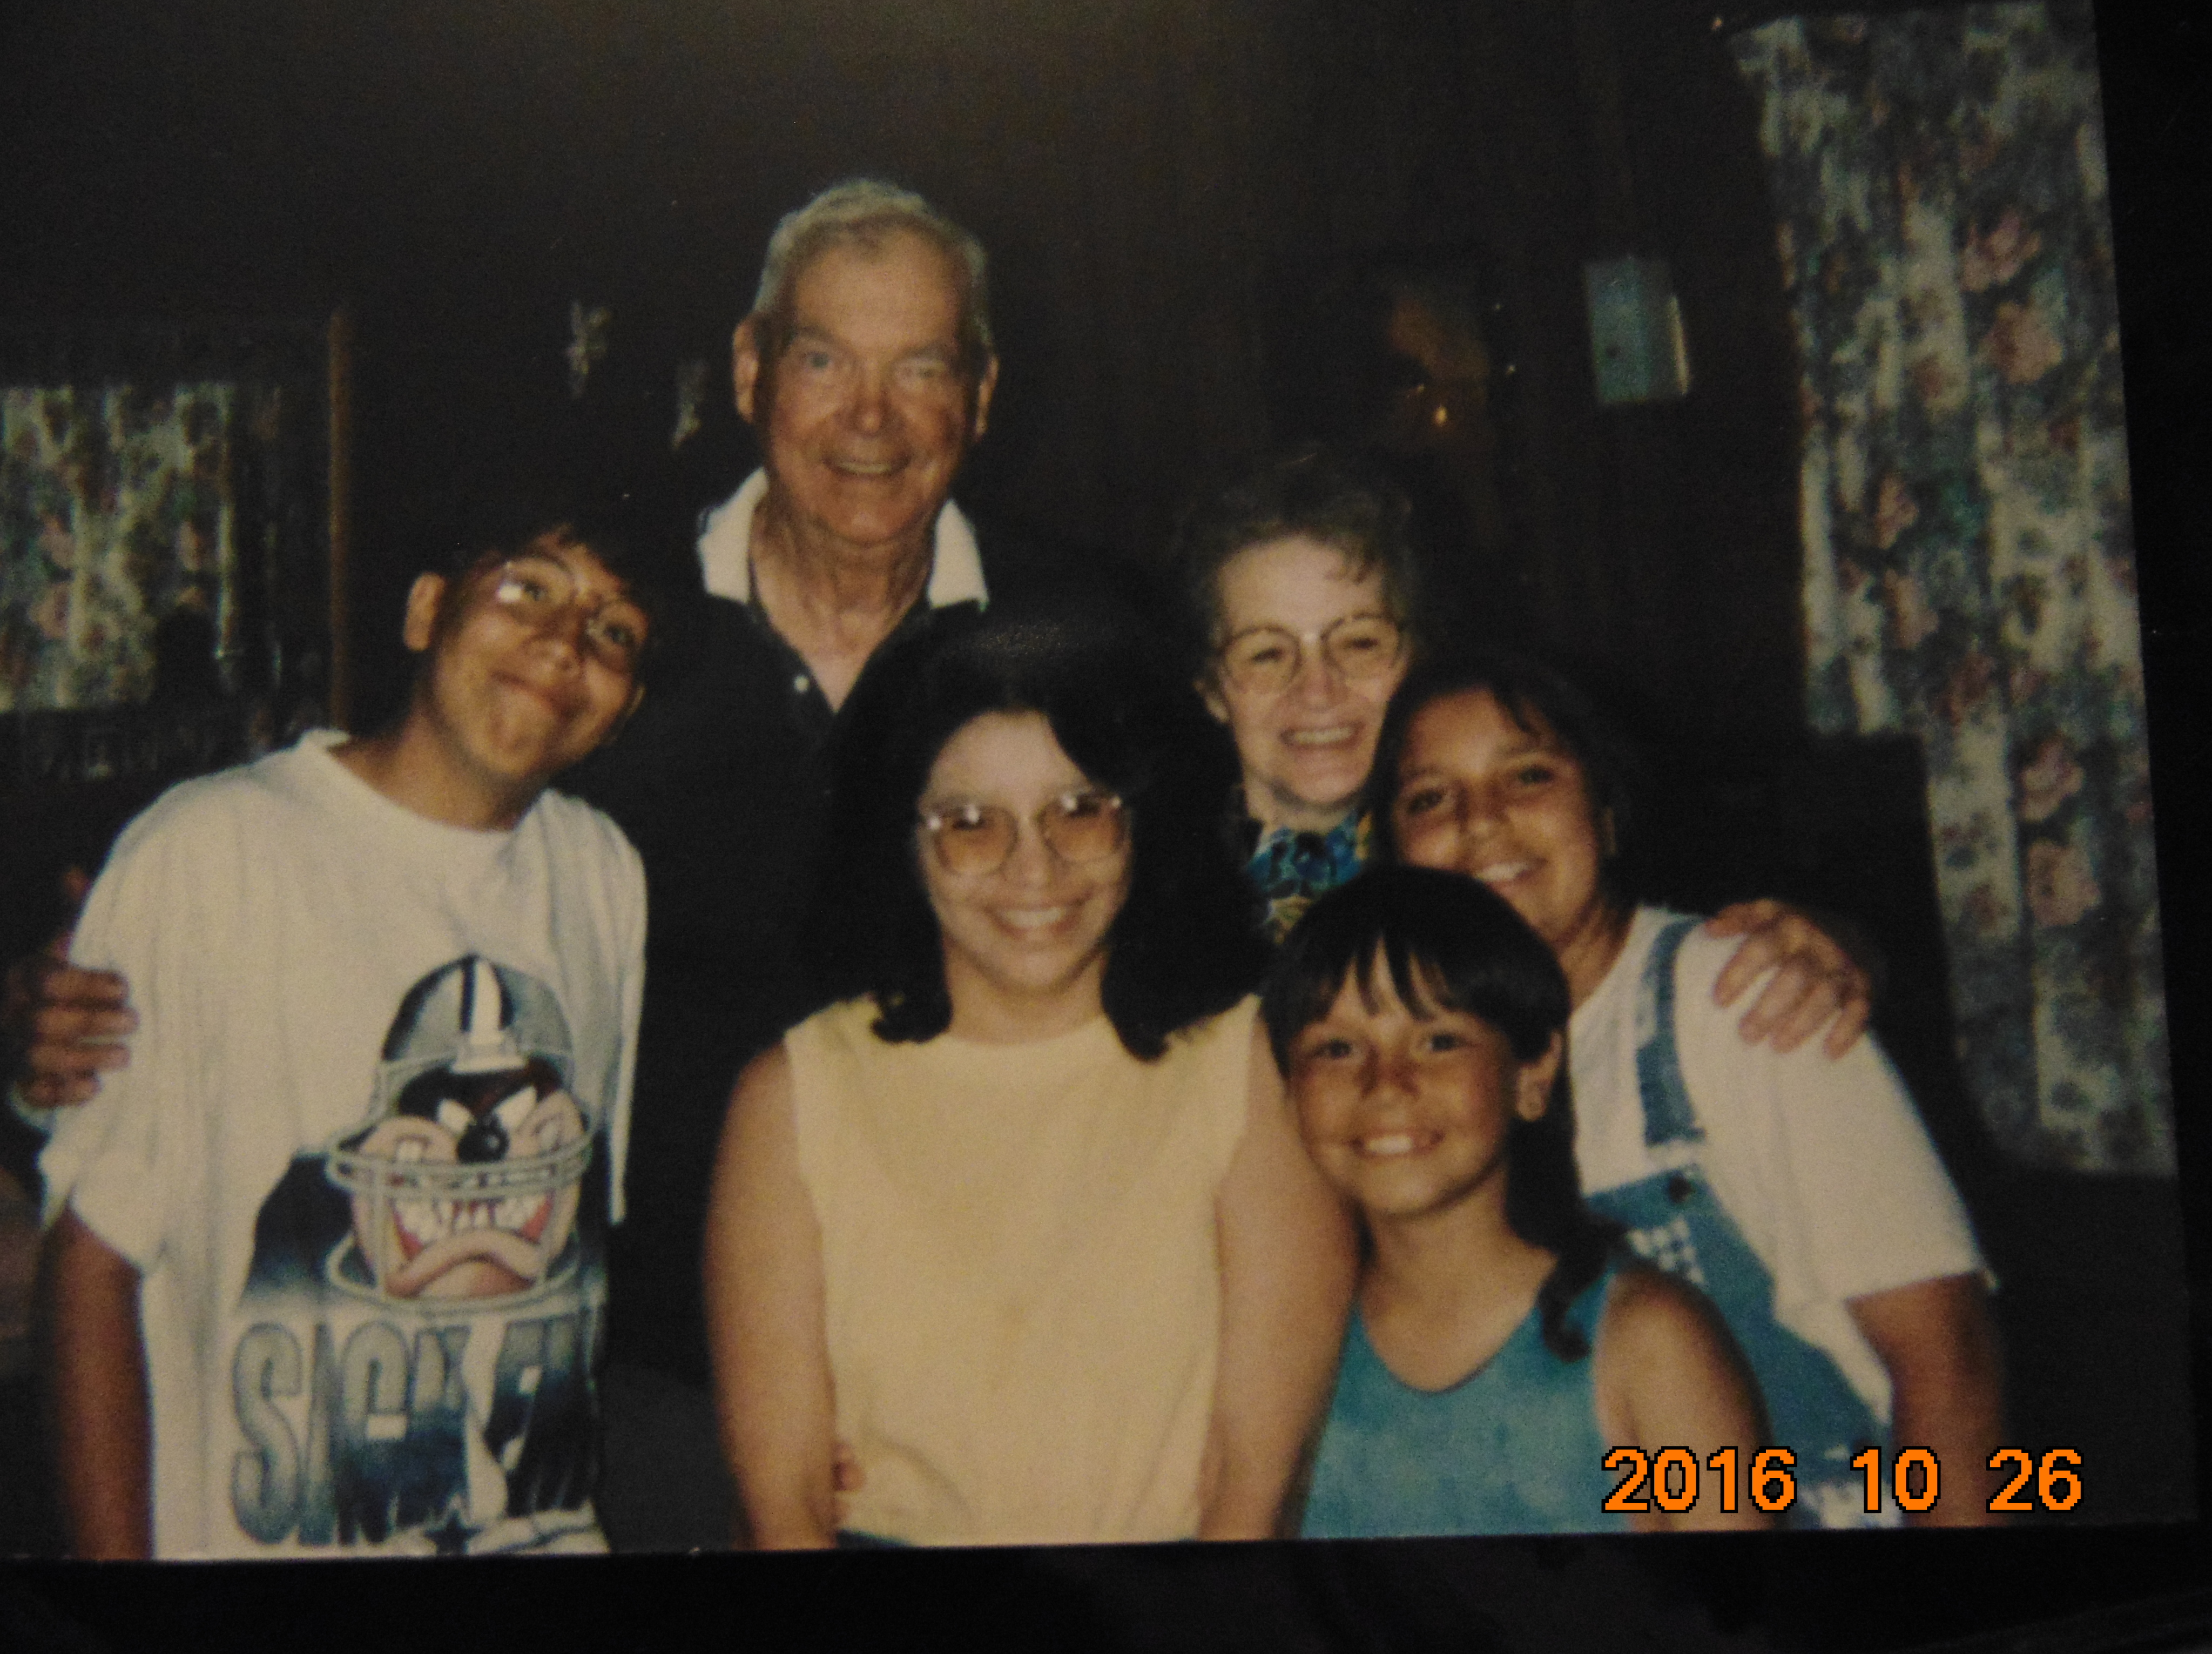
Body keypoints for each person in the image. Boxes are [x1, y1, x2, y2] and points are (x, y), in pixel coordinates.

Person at [5, 178, 1063, 1548]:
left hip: (962, 1372)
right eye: (823, 359)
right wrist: (55, 1005)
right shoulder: (647, 610)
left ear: (979, 394)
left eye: (919, 367)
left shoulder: (1067, 636)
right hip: (646, 1408)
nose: (870, 416)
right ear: (750, 369)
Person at [32, 473, 664, 1558]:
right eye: (527, 591)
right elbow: (91, 1269)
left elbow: (569, 1259)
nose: (566, 645)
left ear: (624, 714)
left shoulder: (602, 874)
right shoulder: (212, 852)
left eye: (612, 632)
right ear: (425, 613)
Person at [704, 604, 1354, 1545]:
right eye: (970, 824)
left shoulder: (1243, 1068)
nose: (1033, 868)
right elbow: (782, 1509)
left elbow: (1256, 1489)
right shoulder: (795, 1097)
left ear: (1140, 822)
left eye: (1078, 811)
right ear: (906, 844)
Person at [1372, 650, 2005, 1527]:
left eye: (1527, 774)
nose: (1481, 822)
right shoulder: (1414, 1078)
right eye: (1429, 797)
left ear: (1605, 808)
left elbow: (1949, 1361)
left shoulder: (1743, 995)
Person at [1175, 444, 1878, 1060]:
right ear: (1211, 687)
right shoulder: (1152, 895)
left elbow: (1728, 930)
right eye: (1267, 654)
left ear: (1417, 654)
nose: (1318, 690)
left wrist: (1829, 947)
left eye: (1359, 641)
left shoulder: (1500, 848)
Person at [1264, 864, 1768, 1536]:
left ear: (1532, 1073)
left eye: (1439, 1040)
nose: (1386, 1082)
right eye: (1335, 1048)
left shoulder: (1648, 1344)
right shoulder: (1285, 1350)